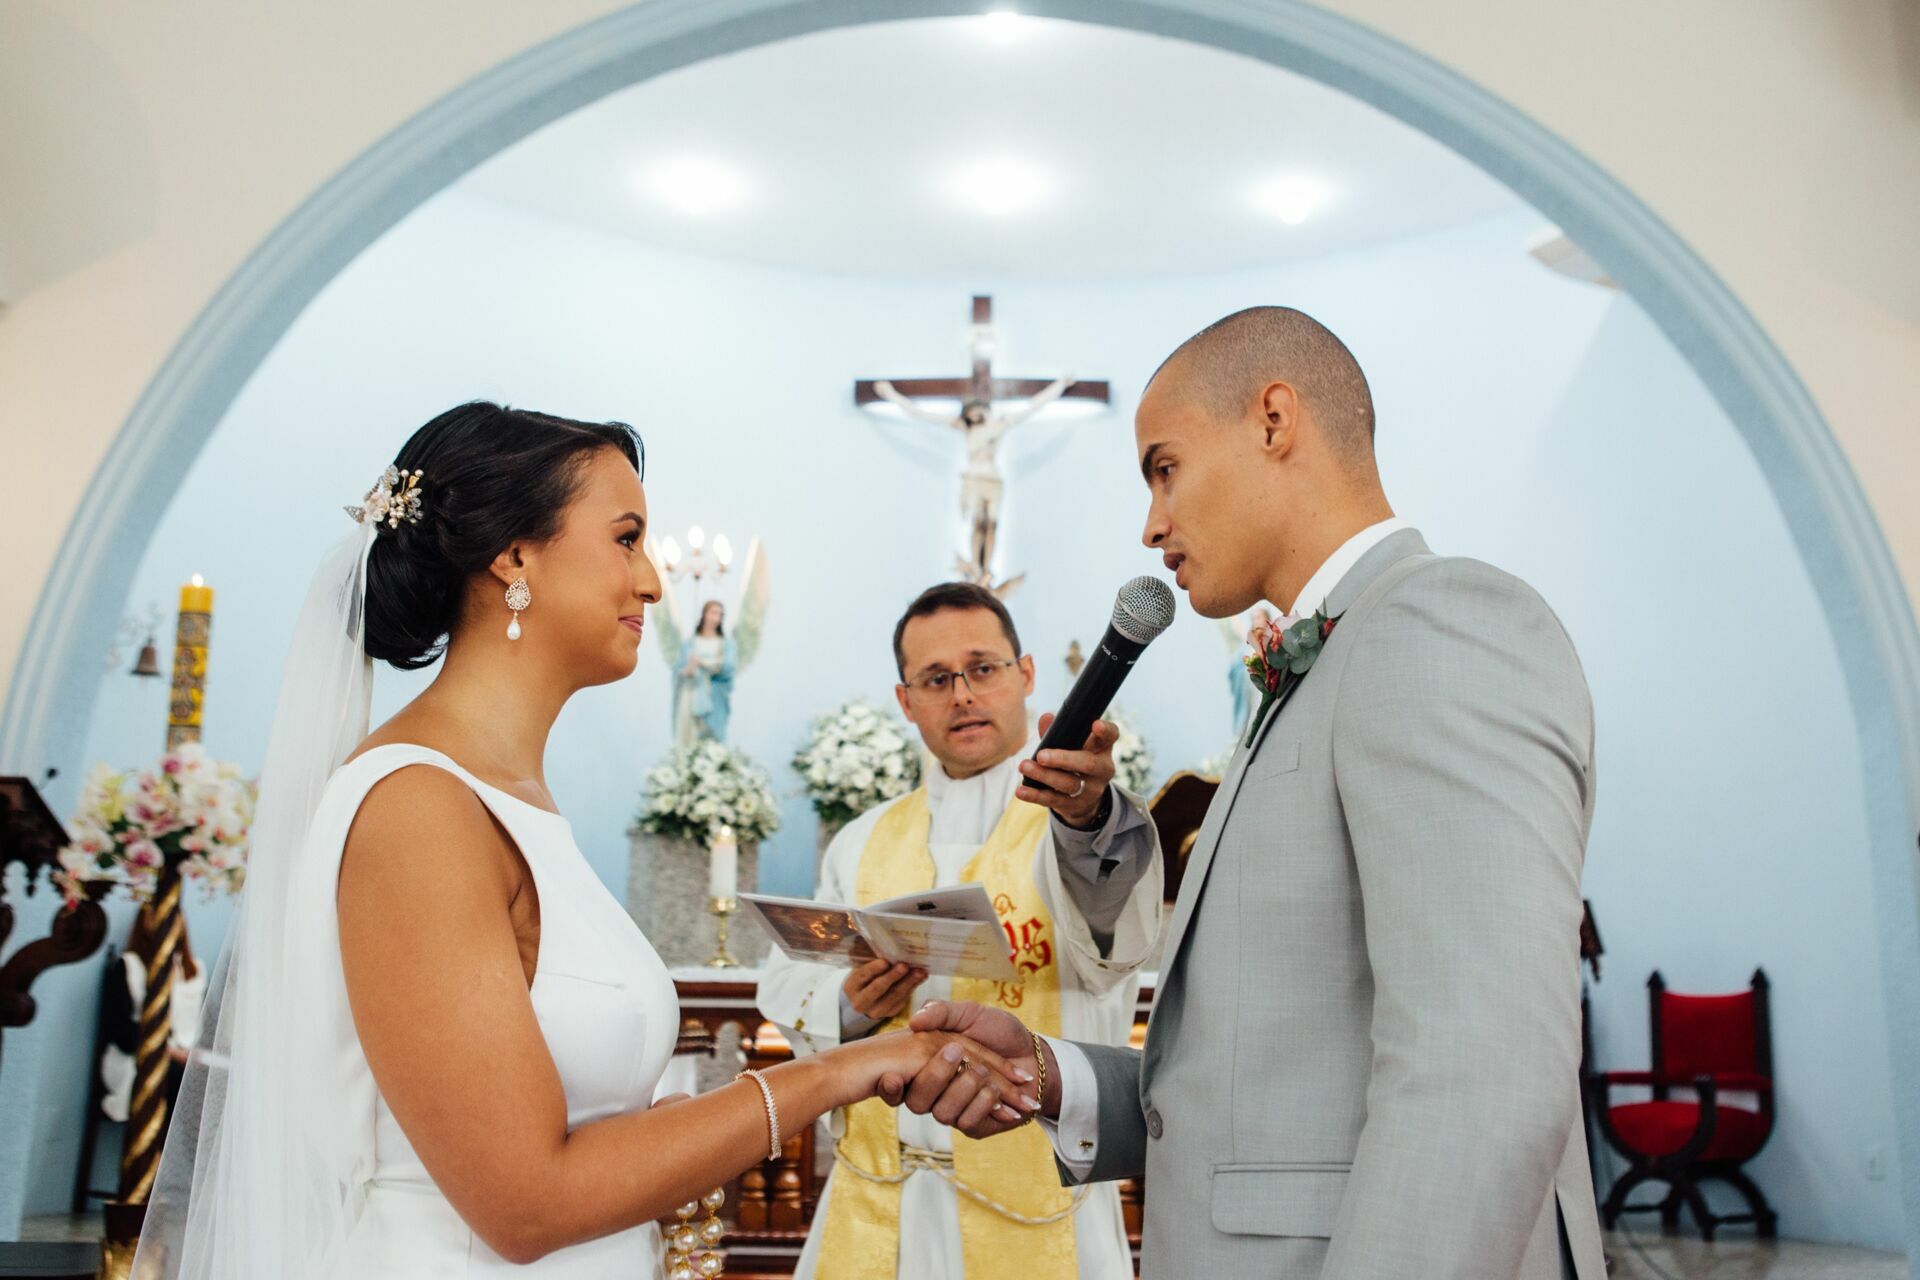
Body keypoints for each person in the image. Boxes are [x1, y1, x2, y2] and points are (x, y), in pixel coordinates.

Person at [135, 402, 1031, 1279]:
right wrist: (849, 1069)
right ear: (515, 553)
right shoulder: (418, 806)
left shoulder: (506, 794)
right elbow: (525, 1202)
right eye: (627, 538)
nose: (653, 581)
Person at [896, 308, 1608, 1278]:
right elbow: (1285, 1073)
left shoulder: (1439, 625)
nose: (1152, 523)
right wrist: (1050, 1071)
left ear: (1274, 420)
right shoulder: (1326, 667)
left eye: (1165, 467)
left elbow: (1481, 1075)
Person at [757, 582, 1163, 1280]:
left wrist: (1089, 818)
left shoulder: (1076, 825)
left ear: (1026, 675)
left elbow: (1114, 927)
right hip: (879, 1200)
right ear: (905, 701)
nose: (962, 694)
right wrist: (853, 1004)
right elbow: (789, 979)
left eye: (983, 668)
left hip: (1039, 1210)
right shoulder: (860, 842)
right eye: (936, 679)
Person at [673, 599, 734, 744]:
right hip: (691, 692)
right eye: (713, 613)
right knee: (689, 733)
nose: (716, 618)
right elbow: (679, 669)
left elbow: (728, 667)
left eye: (720, 614)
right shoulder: (691, 643)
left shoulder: (725, 644)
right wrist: (689, 669)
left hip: (713, 694)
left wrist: (703, 663)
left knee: (711, 735)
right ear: (704, 614)